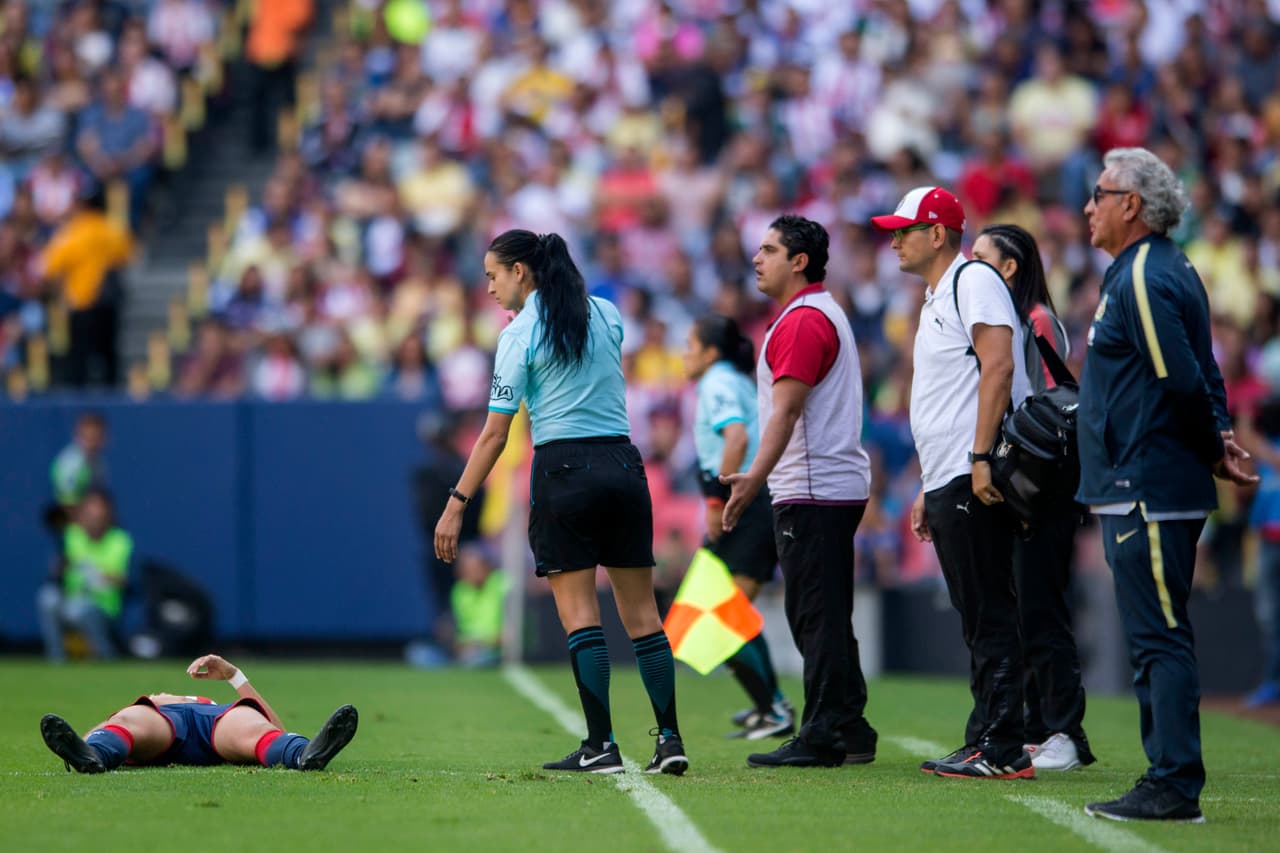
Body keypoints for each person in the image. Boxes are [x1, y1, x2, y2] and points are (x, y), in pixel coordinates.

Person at [434, 229, 687, 776]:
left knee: (581, 617)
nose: (489, 288)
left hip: (563, 469)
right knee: (644, 617)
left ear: (520, 272)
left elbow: (495, 435)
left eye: (493, 276)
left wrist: (457, 501)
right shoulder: (607, 314)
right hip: (624, 466)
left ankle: (601, 745)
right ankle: (670, 739)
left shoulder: (518, 334)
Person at [1077, 147, 1257, 822]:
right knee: (1157, 633)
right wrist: (1220, 436)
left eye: (1099, 194)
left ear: (1132, 204)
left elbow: (1179, 377)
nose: (1088, 207)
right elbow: (1202, 369)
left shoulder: (1144, 273)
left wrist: (1213, 446)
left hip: (1146, 481)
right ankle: (1167, 774)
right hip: (1145, 478)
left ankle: (1174, 782)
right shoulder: (1162, 267)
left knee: (1159, 636)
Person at [871, 187, 1035, 780]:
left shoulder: (974, 280)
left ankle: (1004, 747)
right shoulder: (942, 292)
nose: (895, 240)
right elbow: (951, 396)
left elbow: (999, 366)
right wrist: (927, 483)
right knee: (976, 613)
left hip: (973, 473)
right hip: (952, 474)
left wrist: (980, 456)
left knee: (988, 611)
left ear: (937, 233)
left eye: (905, 229)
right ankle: (985, 736)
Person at [722, 214, 878, 769]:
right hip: (826, 485)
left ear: (799, 261)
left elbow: (786, 412)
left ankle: (824, 733)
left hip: (812, 487)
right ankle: (849, 726)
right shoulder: (815, 313)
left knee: (816, 615)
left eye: (769, 250)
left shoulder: (803, 321)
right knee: (824, 611)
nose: (757, 259)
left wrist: (753, 478)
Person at [971, 223, 1097, 772]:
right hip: (1024, 486)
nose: (970, 266)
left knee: (1042, 609)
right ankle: (1034, 727)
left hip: (1042, 488)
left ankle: (1067, 731)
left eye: (982, 257)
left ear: (1010, 267)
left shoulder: (1035, 319)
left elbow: (1050, 409)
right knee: (1024, 609)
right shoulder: (1008, 318)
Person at [682, 313, 794, 740]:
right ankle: (772, 704)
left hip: (746, 505)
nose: (684, 354)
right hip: (756, 502)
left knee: (718, 618)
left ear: (711, 353)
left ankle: (773, 709)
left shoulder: (718, 382)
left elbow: (737, 438)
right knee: (727, 613)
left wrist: (718, 499)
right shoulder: (737, 381)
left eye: (691, 346)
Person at [39, 653, 357, 774]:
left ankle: (304, 755)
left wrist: (235, 676)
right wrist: (82, 745)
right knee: (126, 721)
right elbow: (108, 726)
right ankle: (94, 756)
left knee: (254, 727)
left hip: (214, 722)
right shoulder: (152, 704)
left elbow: (275, 726)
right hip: (164, 721)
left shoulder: (213, 707)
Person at [41, 190, 132, 388]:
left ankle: (79, 397)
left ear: (82, 206)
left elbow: (49, 264)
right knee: (108, 353)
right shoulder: (112, 229)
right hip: (108, 302)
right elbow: (127, 253)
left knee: (79, 356)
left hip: (82, 302)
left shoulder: (74, 231)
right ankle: (111, 393)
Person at [36, 489, 134, 661]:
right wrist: (63, 567)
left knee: (78, 609)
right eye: (89, 511)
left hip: (103, 606)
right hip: (72, 598)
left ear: (108, 514)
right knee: (47, 598)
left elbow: (127, 580)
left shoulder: (121, 541)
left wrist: (101, 577)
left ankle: (105, 655)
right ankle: (56, 659)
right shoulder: (72, 535)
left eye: (98, 511)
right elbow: (60, 569)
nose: (93, 516)